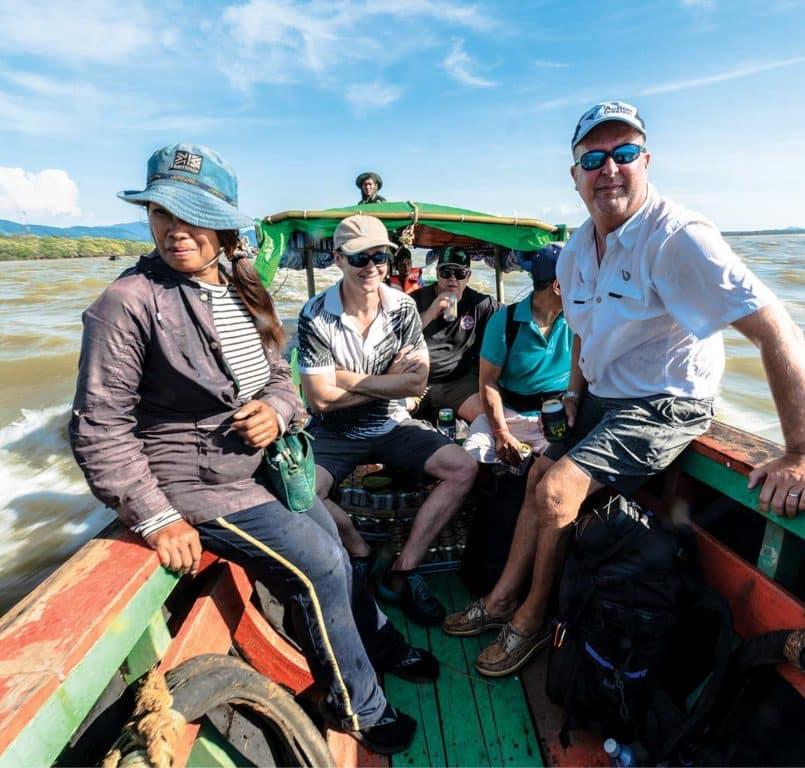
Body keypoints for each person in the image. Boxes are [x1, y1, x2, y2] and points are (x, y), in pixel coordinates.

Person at [69, 144, 435, 755]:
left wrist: (276, 412)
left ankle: (382, 643)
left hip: (261, 468)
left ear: (224, 224)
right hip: (197, 485)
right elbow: (98, 427)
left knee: (339, 549)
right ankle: (360, 709)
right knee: (318, 569)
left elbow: (280, 380)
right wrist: (156, 517)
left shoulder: (240, 287)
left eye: (192, 214)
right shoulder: (128, 304)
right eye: (162, 210)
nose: (174, 229)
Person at [444, 101, 805, 677]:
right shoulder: (574, 251)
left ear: (646, 161)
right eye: (593, 159)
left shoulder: (677, 239)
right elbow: (583, 332)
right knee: (535, 476)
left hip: (661, 403)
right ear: (574, 177)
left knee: (557, 493)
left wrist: (804, 451)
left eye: (624, 154)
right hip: (601, 397)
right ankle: (500, 600)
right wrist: (574, 392)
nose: (610, 170)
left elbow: (777, 330)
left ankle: (531, 619)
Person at [296, 215, 478, 626]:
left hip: (392, 424)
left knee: (463, 468)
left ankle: (403, 569)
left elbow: (417, 383)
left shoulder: (402, 308)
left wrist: (349, 380)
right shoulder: (315, 315)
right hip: (335, 430)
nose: (372, 267)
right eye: (360, 258)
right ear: (338, 259)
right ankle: (360, 550)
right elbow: (320, 399)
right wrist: (388, 381)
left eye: (381, 256)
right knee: (302, 492)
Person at [463, 244, 572, 467]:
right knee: (473, 459)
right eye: (577, 281)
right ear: (558, 286)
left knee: (561, 471)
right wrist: (501, 432)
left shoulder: (578, 320)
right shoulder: (503, 323)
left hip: (557, 419)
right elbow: (488, 382)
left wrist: (569, 406)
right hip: (508, 415)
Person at [412, 247, 500, 423]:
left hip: (459, 383)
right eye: (446, 272)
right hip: (418, 381)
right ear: (437, 274)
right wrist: (431, 311)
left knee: (489, 420)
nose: (452, 279)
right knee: (390, 421)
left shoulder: (480, 304)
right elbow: (397, 337)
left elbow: (512, 318)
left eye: (459, 273)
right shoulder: (415, 300)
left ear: (468, 277)